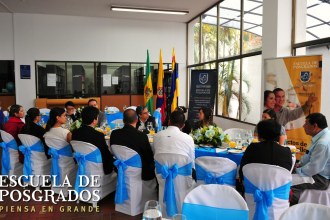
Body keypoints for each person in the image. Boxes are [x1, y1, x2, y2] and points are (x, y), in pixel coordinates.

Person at [290, 113, 330, 205]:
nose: (303, 126)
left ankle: (293, 208)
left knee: (288, 183)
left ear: (315, 126)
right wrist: (300, 164)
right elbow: (309, 156)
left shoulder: (322, 143)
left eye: (306, 124)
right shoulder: (322, 136)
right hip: (317, 173)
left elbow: (314, 168)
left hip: (320, 179)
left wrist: (297, 169)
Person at [110, 109, 155, 180]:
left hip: (121, 169)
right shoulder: (141, 136)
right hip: (139, 172)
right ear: (137, 120)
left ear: (123, 120)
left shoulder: (114, 134)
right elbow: (148, 158)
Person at [72, 106, 114, 175]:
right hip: (97, 170)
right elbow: (105, 155)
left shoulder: (75, 133)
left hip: (82, 166)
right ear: (94, 120)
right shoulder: (98, 135)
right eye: (97, 117)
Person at [154, 110, 195, 179]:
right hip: (183, 181)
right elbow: (192, 162)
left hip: (162, 178)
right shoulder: (189, 138)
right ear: (183, 125)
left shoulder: (157, 136)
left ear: (169, 121)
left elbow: (155, 155)